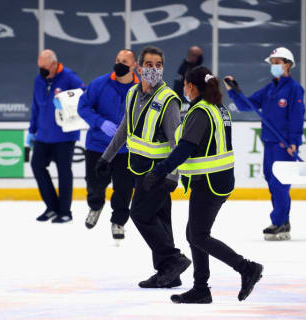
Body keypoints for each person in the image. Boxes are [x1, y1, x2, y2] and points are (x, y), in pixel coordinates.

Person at [142, 66, 263, 304]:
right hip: (218, 179)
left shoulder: (200, 112)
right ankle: (201, 288)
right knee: (195, 234)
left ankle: (246, 268)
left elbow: (185, 149)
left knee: (197, 234)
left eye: (186, 84)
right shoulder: (218, 108)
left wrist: (159, 171)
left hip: (208, 181)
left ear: (191, 86)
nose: (184, 88)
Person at [97, 46, 191, 288]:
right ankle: (168, 274)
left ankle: (173, 260)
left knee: (139, 213)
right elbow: (124, 129)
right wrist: (106, 157)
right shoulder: (131, 94)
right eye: (148, 64)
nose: (153, 69)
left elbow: (176, 142)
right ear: (139, 68)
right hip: (140, 168)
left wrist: (173, 175)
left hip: (159, 172)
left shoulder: (168, 99)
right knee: (160, 219)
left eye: (158, 64)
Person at [224, 47, 305, 241]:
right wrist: (233, 91)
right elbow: (247, 105)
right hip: (269, 143)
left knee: (280, 184)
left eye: (277, 63)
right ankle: (283, 221)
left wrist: (294, 141)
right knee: (272, 181)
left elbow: (296, 117)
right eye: (272, 63)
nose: (274, 66)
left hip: (284, 145)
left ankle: (279, 221)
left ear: (287, 64)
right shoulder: (269, 89)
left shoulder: (294, 89)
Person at [76, 49, 139, 240]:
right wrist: (100, 122)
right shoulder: (99, 84)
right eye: (118, 59)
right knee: (94, 184)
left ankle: (118, 221)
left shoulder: (141, 89)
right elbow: (83, 106)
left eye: (125, 61)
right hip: (98, 146)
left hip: (126, 149)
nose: (120, 64)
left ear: (134, 65)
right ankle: (95, 206)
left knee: (124, 188)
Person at [27, 49, 86, 223]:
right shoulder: (39, 80)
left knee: (64, 172)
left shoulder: (69, 77)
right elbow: (35, 106)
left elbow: (85, 94)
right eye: (39, 67)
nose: (42, 70)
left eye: (44, 67)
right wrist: (32, 130)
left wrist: (66, 100)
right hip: (43, 135)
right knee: (37, 165)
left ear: (54, 64)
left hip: (64, 135)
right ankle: (52, 207)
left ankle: (65, 211)